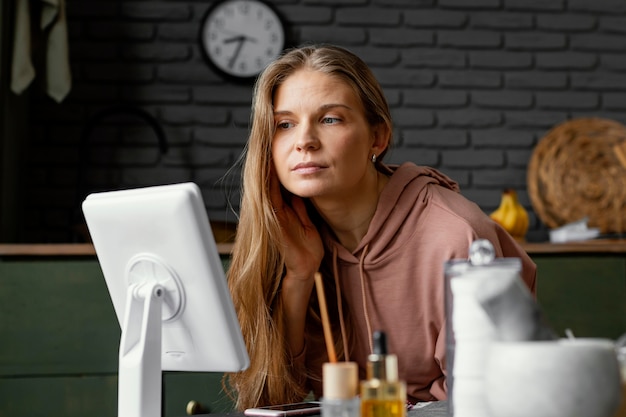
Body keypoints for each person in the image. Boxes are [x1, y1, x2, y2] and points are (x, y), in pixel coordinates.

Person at [224, 44, 536, 411]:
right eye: (284, 124)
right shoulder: (287, 235)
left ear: (378, 137)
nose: (304, 141)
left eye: (330, 119)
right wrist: (300, 276)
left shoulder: (457, 235)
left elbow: (486, 404)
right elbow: (274, 399)